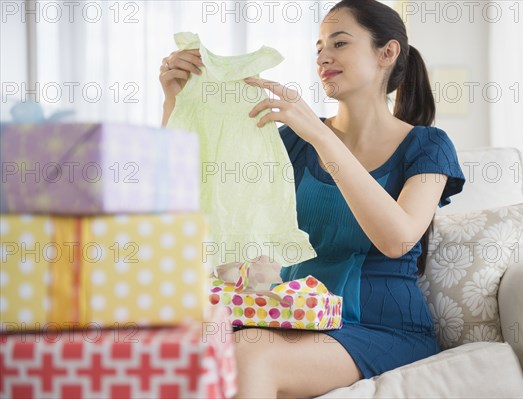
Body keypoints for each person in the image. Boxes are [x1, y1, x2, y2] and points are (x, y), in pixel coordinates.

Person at [160, 0, 466, 397]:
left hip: (381, 327)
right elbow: (187, 193)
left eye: (339, 43)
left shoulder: (427, 146)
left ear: (387, 53)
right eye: (318, 47)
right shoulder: (292, 141)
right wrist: (176, 101)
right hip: (294, 318)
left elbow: (398, 238)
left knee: (249, 356)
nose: (323, 56)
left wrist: (322, 138)